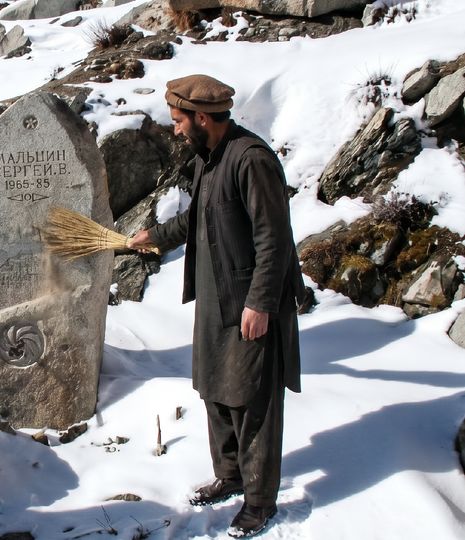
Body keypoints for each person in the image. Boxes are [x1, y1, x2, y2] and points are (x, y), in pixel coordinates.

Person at [128, 75, 303, 539]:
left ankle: (260, 501)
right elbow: (198, 216)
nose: (176, 130)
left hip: (249, 304)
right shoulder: (210, 158)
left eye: (180, 121)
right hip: (216, 300)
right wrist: (155, 237)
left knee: (253, 401)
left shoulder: (252, 160)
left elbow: (274, 238)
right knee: (216, 391)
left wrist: (261, 303)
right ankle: (231, 475)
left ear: (203, 118)